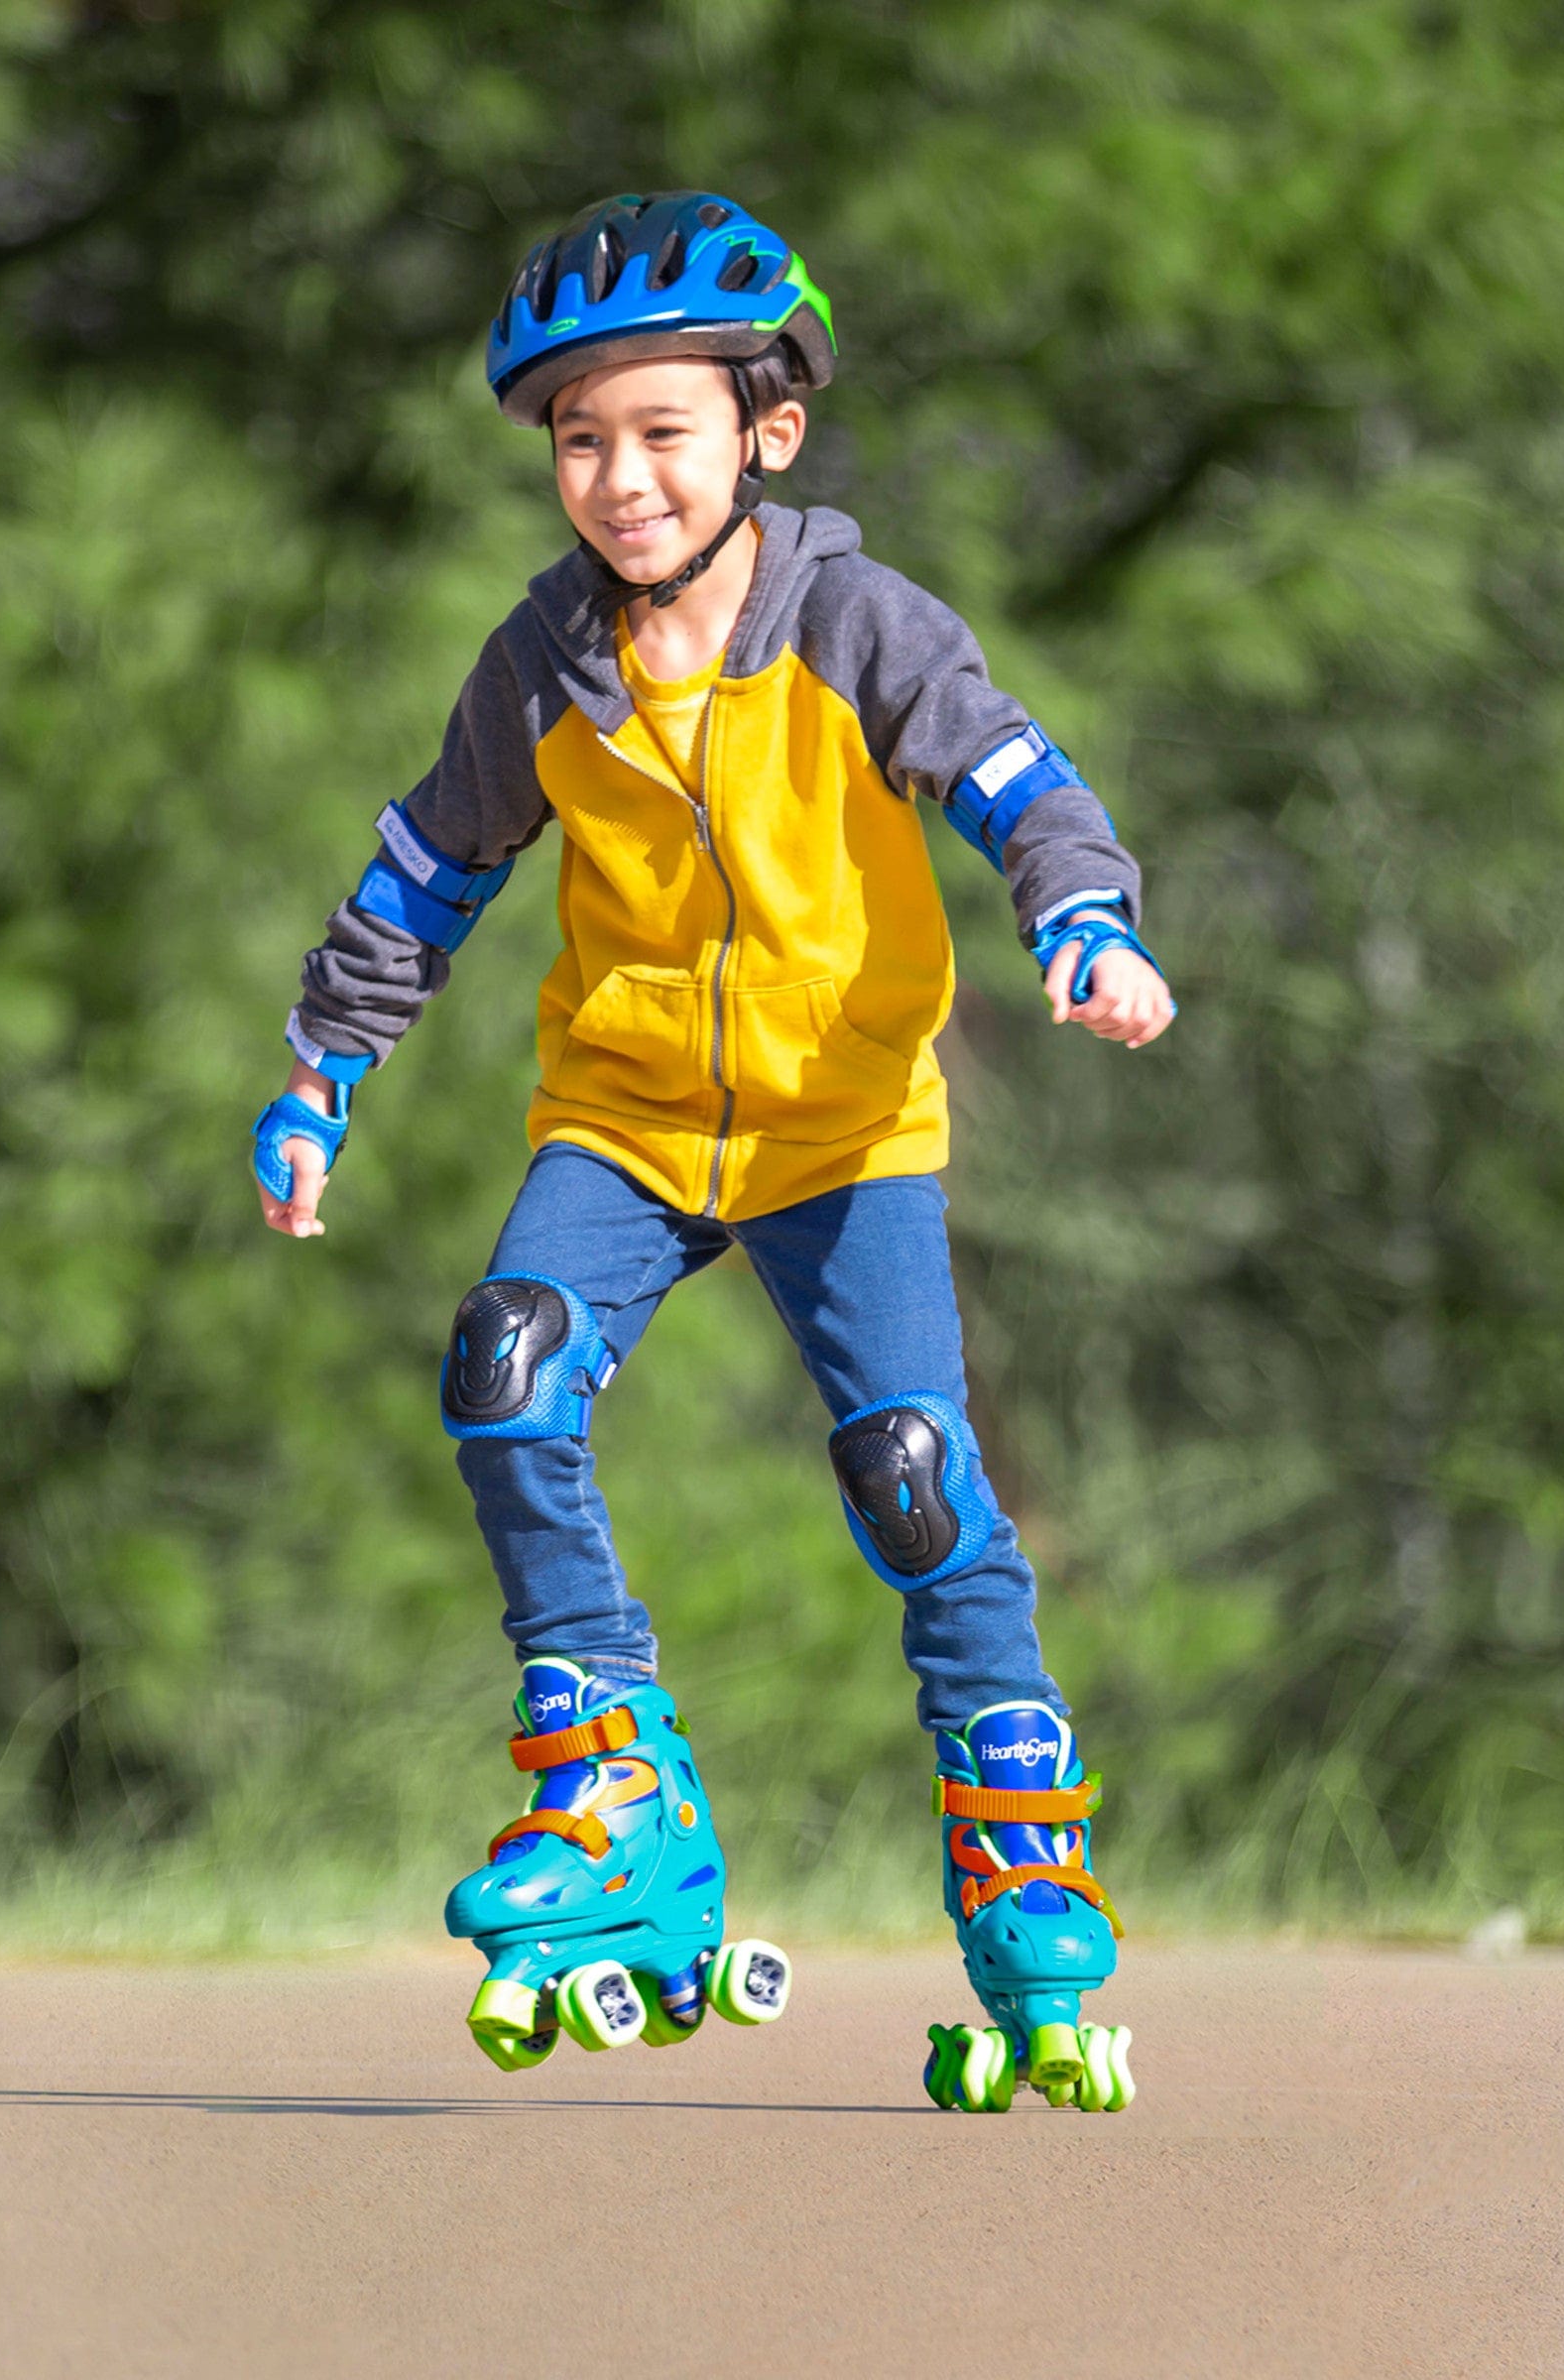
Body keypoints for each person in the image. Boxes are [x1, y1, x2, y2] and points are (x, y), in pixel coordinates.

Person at [252, 191, 1171, 2113]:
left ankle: (1021, 1873)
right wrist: (324, 1066)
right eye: (578, 437)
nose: (615, 476)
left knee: (912, 1483)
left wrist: (1078, 916)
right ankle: (612, 1791)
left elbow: (1016, 777)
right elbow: (428, 867)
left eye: (660, 430)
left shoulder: (854, 624)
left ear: (766, 433)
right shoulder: (542, 666)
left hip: (842, 1129)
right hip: (630, 1117)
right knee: (502, 1376)